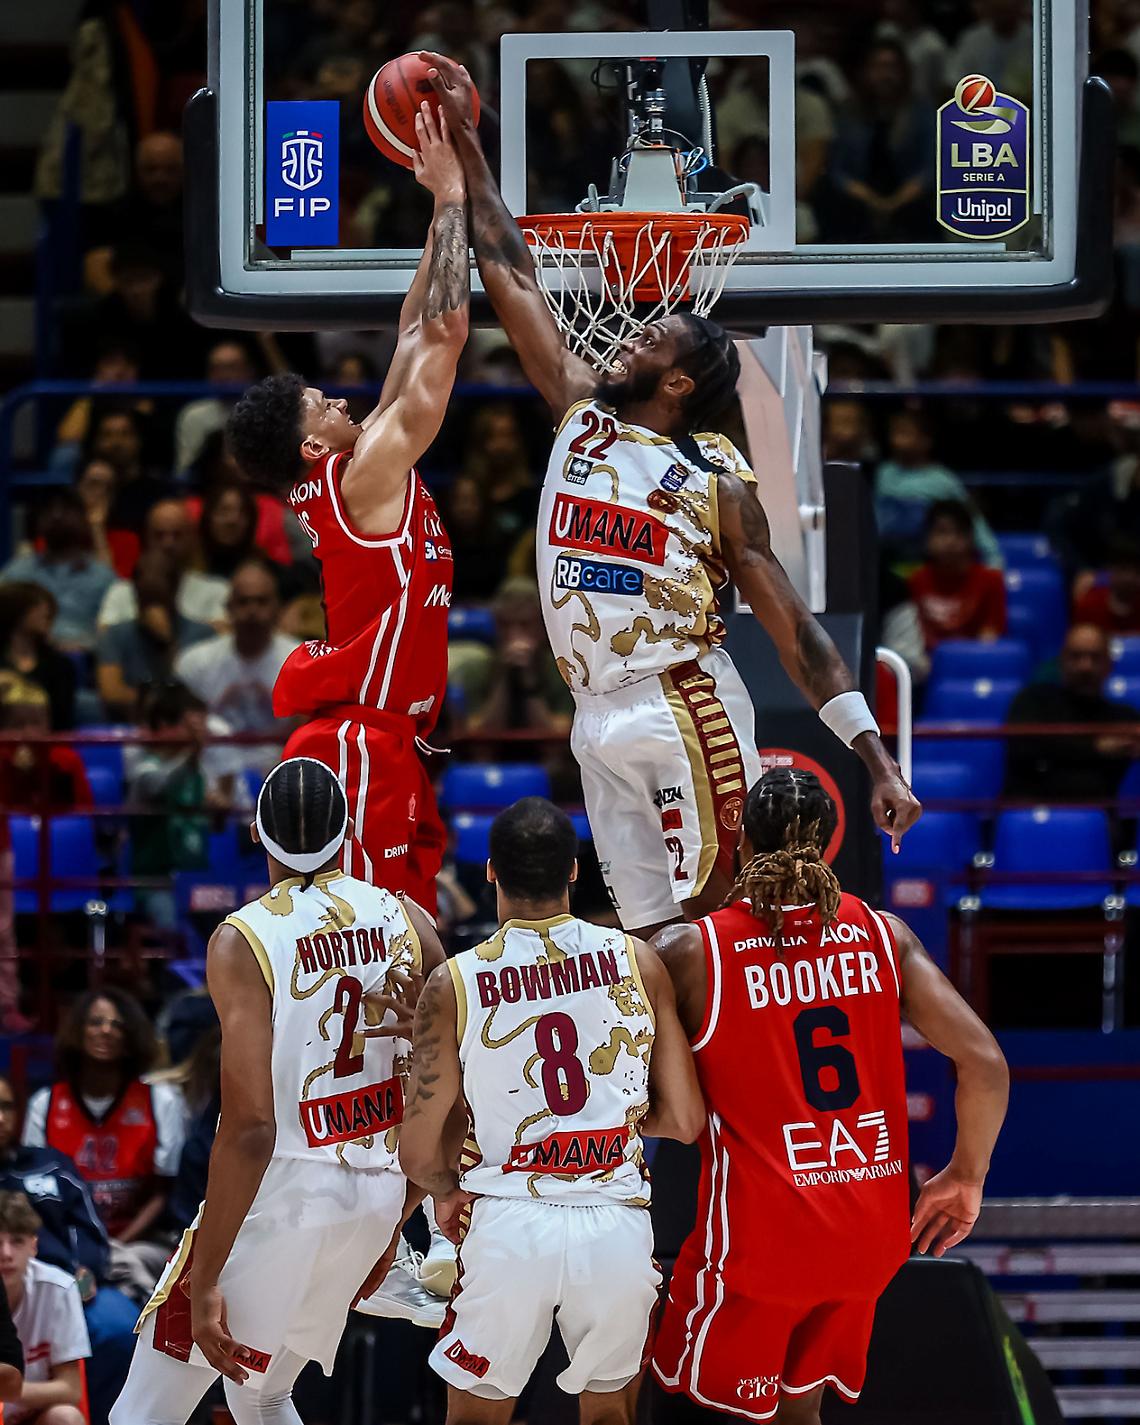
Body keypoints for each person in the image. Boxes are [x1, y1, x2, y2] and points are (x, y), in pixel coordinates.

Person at [424, 53, 919, 937]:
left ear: (683, 382)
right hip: (591, 712)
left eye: (651, 335)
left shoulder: (718, 482)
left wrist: (874, 757)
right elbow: (512, 274)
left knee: (720, 926)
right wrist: (466, 160)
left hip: (682, 702)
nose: (628, 333)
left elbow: (797, 630)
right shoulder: (582, 417)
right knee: (647, 936)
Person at [649, 767, 1010, 1422]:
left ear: (741, 842)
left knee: (698, 1409)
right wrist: (965, 1174)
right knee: (800, 1412)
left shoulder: (691, 951)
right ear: (829, 840)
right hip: (869, 1237)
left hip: (759, 1241)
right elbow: (985, 1062)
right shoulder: (884, 934)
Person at [109, 757, 446, 1425]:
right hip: (373, 1199)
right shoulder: (408, 919)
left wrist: (205, 1278)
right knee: (262, 1395)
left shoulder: (245, 937)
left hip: (283, 1199)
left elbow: (252, 1128)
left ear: (257, 835)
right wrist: (396, 1221)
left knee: (140, 1414)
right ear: (348, 829)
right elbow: (446, 1095)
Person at [225, 102, 468, 913]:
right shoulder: (360, 479)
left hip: (382, 737)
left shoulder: (356, 473)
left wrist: (441, 207)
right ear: (311, 449)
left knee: (402, 934)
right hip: (359, 739)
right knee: (373, 940)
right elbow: (442, 340)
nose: (338, 400)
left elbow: (411, 332)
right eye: (322, 404)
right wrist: (459, 203)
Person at [399, 797, 705, 1423]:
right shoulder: (638, 961)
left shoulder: (455, 982)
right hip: (614, 1224)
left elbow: (417, 1148)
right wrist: (617, 1123)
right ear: (572, 870)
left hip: (508, 1224)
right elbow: (684, 1120)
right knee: (611, 1417)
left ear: (489, 873)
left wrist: (444, 1190)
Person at [22, 990, 186, 1302]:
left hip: (137, 1241)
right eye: (95, 1022)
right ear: (77, 1031)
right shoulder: (46, 1104)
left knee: (129, 1267)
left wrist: (110, 1247)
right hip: (64, 1243)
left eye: (117, 1024)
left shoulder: (159, 1101)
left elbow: (164, 1193)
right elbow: (36, 1192)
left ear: (132, 1035)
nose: (106, 1030)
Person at [0, 1081, 137, 1425]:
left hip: (66, 1285)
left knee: (119, 1327)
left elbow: (90, 1228)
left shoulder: (50, 1163)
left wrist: (83, 1275)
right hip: (11, 1286)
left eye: (5, 1107)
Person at [174, 559, 299, 775]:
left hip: (280, 777)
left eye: (261, 602)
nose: (252, 611)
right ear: (228, 608)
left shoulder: (301, 662)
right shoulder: (194, 662)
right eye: (243, 602)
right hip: (212, 776)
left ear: (278, 608)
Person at [1004, 624, 1140, 800]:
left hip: (1098, 820)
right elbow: (1023, 748)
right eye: (1076, 656)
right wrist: (1096, 748)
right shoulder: (1032, 700)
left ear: (1109, 665)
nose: (1085, 666)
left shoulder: (1123, 718)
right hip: (1030, 813)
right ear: (1061, 660)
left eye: (1095, 657)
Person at [0, 1191, 91, 1425]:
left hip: (30, 1416)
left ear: (34, 1245)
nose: (6, 1254)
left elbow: (71, 1390)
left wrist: (10, 1388)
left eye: (17, 1241)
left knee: (66, 1418)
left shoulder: (59, 1288)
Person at [874, 408, 1001, 568]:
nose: (896, 440)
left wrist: (993, 557)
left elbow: (972, 518)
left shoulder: (942, 479)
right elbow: (874, 515)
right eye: (895, 433)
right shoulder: (883, 473)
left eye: (905, 433)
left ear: (925, 441)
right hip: (886, 560)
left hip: (925, 563)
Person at [95, 553, 214, 719]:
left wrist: (168, 643)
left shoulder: (203, 635)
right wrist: (162, 701)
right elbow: (111, 693)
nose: (151, 609)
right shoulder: (115, 634)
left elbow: (203, 697)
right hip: (132, 726)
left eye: (157, 598)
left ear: (175, 590)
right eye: (145, 598)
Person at [453, 577, 574, 735]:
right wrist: (503, 677)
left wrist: (529, 681)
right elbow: (478, 737)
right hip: (490, 759)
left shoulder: (563, 669)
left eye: (525, 624)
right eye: (505, 624)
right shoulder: (474, 669)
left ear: (543, 626)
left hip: (546, 758)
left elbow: (556, 738)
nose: (514, 635)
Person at [1, 491, 115, 654]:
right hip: (29, 660)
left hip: (88, 662)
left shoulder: (103, 576)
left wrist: (87, 644)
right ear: (38, 521)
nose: (56, 516)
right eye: (49, 510)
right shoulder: (17, 572)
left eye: (66, 510)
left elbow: (115, 631)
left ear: (84, 520)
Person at [97, 499, 229, 633]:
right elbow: (105, 636)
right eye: (159, 535)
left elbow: (225, 635)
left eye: (177, 535)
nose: (168, 544)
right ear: (147, 539)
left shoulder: (216, 590)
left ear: (191, 538)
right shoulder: (120, 592)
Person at [908, 500, 1007, 651]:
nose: (951, 541)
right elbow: (914, 638)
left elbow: (991, 635)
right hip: (927, 666)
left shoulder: (991, 580)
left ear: (971, 538)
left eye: (959, 533)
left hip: (973, 663)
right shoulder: (916, 581)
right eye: (942, 532)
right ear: (927, 538)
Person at [0, 679, 92, 810]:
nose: (28, 732)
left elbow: (84, 815)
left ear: (48, 724)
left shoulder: (67, 761)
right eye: (17, 725)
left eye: (36, 723)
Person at [0, 585, 77, 731]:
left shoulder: (60, 665)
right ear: (13, 610)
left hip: (46, 745)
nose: (46, 610)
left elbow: (62, 723)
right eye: (36, 604)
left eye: (48, 605)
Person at [174, 342, 258, 476]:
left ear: (249, 370)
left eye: (232, 367)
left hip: (259, 487)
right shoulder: (194, 414)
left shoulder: (263, 411)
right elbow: (186, 471)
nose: (224, 374)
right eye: (217, 368)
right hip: (209, 487)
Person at [1072, 535, 1140, 634]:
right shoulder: (1089, 605)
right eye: (1123, 569)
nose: (1129, 578)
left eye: (1136, 572)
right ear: (1110, 571)